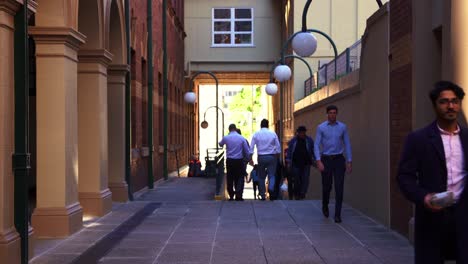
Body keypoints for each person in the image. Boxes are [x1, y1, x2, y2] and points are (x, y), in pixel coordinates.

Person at [397, 80, 468, 264]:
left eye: (454, 101)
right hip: (432, 218)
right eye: (444, 101)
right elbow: (404, 177)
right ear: (435, 105)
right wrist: (424, 197)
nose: (450, 106)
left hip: (463, 217)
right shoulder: (418, 139)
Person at [314, 105, 352, 223]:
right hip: (326, 159)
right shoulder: (321, 127)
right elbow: (316, 144)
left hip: (339, 160)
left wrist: (349, 161)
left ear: (337, 114)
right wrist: (318, 161)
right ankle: (325, 205)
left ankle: (337, 214)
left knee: (339, 186)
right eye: (330, 113)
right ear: (327, 114)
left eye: (334, 113)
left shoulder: (342, 127)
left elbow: (347, 144)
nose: (332, 115)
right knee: (327, 186)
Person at [249, 119, 281, 200]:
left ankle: (262, 194)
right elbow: (278, 148)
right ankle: (271, 188)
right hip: (272, 156)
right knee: (272, 175)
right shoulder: (273, 134)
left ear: (261, 125)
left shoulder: (256, 134)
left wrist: (250, 158)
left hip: (261, 157)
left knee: (261, 176)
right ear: (268, 125)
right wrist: (277, 157)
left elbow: (251, 147)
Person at [219, 124, 250, 201]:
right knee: (239, 178)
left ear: (229, 129)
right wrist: (248, 159)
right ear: (235, 129)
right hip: (239, 161)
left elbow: (220, 144)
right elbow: (247, 151)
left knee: (230, 178)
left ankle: (231, 194)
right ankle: (238, 195)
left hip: (230, 161)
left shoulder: (226, 137)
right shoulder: (241, 138)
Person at [286, 126, 315, 200]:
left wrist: (315, 159)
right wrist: (289, 161)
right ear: (298, 133)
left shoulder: (309, 140)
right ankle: (297, 194)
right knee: (297, 179)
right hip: (296, 163)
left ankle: (302, 193)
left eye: (303, 132)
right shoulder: (294, 141)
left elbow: (313, 150)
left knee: (305, 179)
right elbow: (289, 151)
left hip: (306, 163)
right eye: (300, 132)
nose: (302, 134)